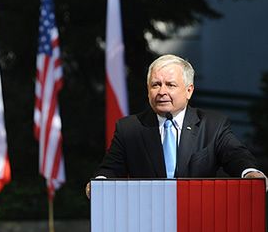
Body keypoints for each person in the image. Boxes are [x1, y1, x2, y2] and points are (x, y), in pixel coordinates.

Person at [86, 54, 264, 198]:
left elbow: (236, 156)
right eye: (156, 85)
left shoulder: (212, 125)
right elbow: (110, 169)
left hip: (198, 217)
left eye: (170, 85)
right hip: (147, 218)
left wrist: (250, 173)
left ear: (189, 90)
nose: (162, 92)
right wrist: (99, 183)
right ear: (148, 90)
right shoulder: (129, 128)